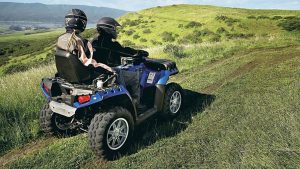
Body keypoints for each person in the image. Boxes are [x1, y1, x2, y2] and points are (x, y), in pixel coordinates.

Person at [91, 17, 148, 110]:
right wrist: (140, 52)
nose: (115, 31)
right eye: (114, 28)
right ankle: (135, 104)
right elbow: (126, 51)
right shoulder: (112, 45)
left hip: (96, 72)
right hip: (110, 72)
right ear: (109, 29)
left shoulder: (94, 41)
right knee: (135, 77)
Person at [56, 9, 114, 76]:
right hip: (82, 75)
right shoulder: (81, 41)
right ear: (81, 23)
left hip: (65, 74)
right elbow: (87, 62)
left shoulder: (60, 38)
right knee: (117, 72)